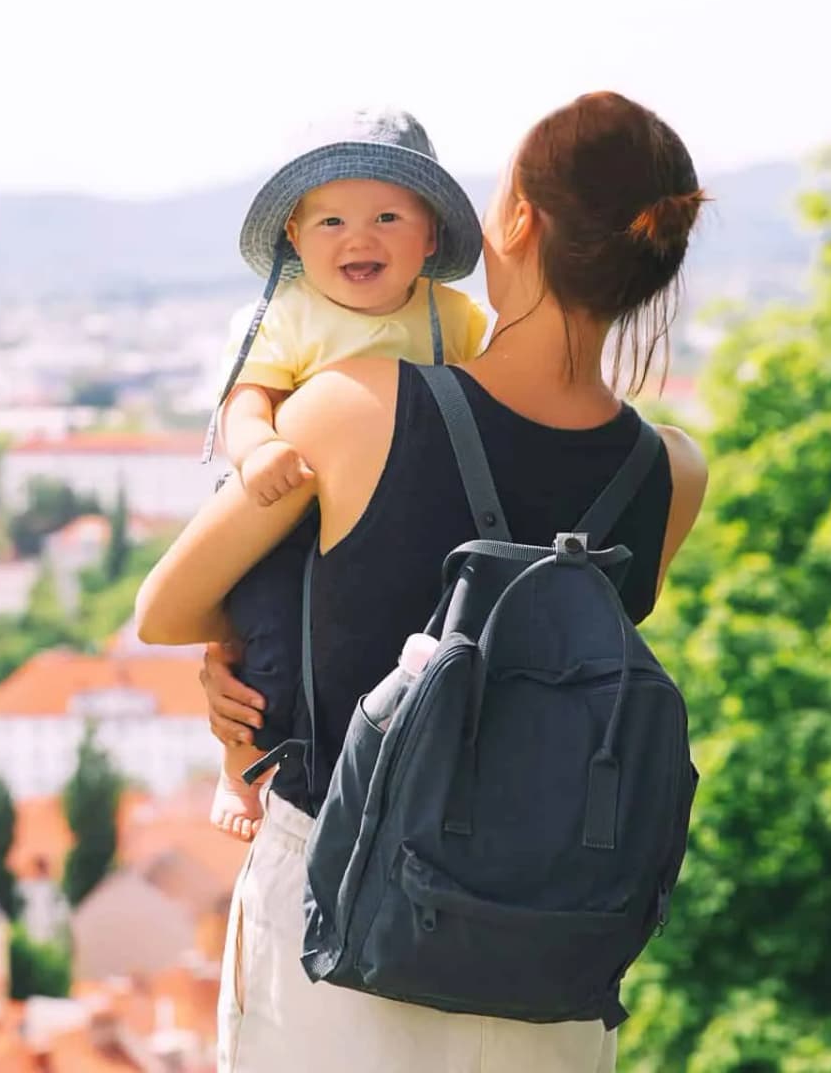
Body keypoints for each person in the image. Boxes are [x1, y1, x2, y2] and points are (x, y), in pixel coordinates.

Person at [136, 91, 711, 1072]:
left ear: (516, 222)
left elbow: (163, 608)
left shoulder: (355, 403)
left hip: (343, 921)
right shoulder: (669, 471)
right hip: (547, 960)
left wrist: (244, 653)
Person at [206, 109, 488, 841]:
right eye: (330, 222)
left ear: (429, 237)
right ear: (295, 239)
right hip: (288, 510)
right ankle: (243, 761)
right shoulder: (285, 315)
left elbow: (492, 391)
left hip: (399, 516)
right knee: (263, 637)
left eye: (388, 217)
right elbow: (246, 400)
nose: (359, 239)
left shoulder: (451, 318)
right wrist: (259, 448)